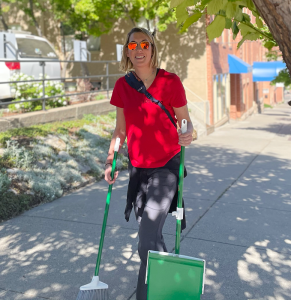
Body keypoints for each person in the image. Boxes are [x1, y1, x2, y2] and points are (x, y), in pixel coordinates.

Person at [104, 27, 193, 300]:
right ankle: (172, 286)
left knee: (147, 236)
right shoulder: (122, 86)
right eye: (133, 46)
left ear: (152, 48)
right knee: (152, 239)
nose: (139, 49)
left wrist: (188, 133)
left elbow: (186, 122)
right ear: (127, 51)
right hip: (138, 170)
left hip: (166, 168)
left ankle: (148, 296)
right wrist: (111, 159)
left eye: (144, 44)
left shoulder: (170, 82)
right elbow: (120, 131)